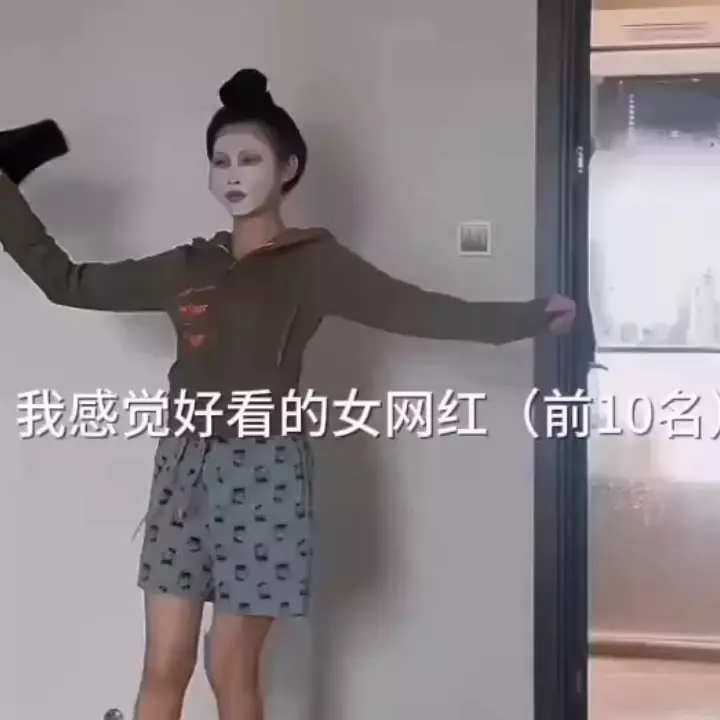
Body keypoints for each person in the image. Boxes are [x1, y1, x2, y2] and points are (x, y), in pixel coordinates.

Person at [0, 68, 576, 720]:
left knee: (230, 665)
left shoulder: (315, 264)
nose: (232, 174)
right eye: (220, 161)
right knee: (164, 663)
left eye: (249, 159)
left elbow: (419, 309)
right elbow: (68, 282)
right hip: (182, 471)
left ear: (288, 169)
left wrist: (531, 317)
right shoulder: (187, 266)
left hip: (264, 474)